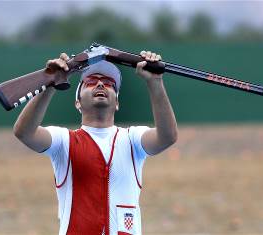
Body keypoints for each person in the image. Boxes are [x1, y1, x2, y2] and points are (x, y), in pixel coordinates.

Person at [13, 50, 178, 235]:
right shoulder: (64, 141)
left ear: (117, 103)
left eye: (109, 84)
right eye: (91, 82)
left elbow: (168, 136)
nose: (100, 84)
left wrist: (155, 83)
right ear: (78, 102)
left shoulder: (132, 139)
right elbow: (24, 132)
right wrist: (49, 84)